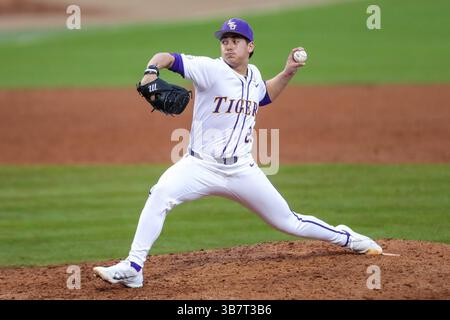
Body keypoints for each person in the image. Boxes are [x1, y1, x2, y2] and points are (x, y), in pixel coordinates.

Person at [93, 18, 382, 288]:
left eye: (235, 40)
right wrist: (151, 71)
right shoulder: (209, 69)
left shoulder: (253, 75)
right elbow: (167, 57)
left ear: (250, 46)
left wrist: (287, 72)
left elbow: (264, 94)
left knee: (288, 221)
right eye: (225, 40)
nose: (229, 45)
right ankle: (134, 267)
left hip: (242, 170)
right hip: (199, 166)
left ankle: (348, 238)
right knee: (160, 194)